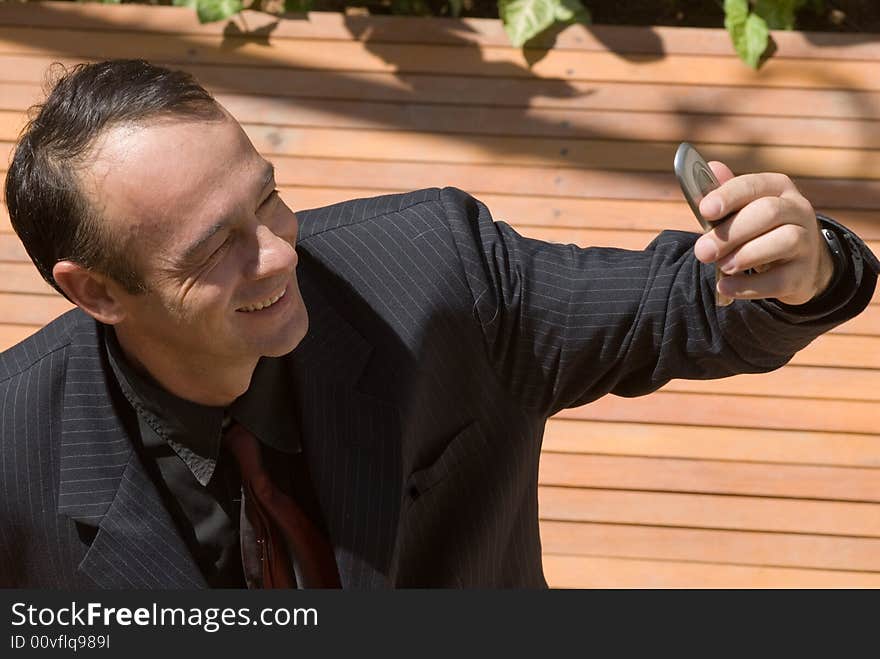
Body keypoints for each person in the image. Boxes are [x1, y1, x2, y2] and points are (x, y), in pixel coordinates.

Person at [0, 60, 877, 589]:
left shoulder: (434, 268)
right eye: (212, 249)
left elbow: (686, 305)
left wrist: (806, 266)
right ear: (97, 293)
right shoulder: (14, 450)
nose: (275, 255)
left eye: (268, 196)